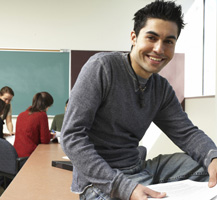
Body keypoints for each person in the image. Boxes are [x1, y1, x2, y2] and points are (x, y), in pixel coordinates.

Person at [60, 1, 217, 200]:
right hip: (100, 183)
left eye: (169, 41)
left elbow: (186, 133)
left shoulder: (161, 88)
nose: (159, 49)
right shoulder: (102, 67)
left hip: (139, 168)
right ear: (134, 37)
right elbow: (71, 136)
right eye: (152, 38)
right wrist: (124, 187)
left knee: (207, 165)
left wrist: (212, 156)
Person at [14, 92, 55, 157]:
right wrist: (52, 136)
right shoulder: (42, 115)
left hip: (16, 155)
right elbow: (45, 140)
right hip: (30, 156)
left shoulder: (21, 115)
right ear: (46, 105)